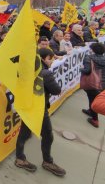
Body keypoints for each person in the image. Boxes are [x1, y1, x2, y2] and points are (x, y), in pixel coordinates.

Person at [15, 48, 66, 177]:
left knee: (24, 134)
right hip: (39, 110)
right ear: (43, 59)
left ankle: (20, 158)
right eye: (50, 58)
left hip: (26, 107)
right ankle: (47, 161)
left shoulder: (25, 70)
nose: (52, 61)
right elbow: (56, 90)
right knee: (48, 135)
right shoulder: (45, 74)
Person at [80, 43, 105, 127]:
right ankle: (91, 111)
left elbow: (87, 71)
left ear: (93, 50)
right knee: (94, 99)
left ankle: (95, 120)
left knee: (92, 100)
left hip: (92, 84)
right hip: (103, 84)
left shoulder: (89, 58)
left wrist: (80, 69)